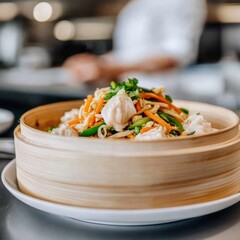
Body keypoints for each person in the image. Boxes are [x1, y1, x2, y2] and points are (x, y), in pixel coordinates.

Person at [63, 0, 206, 89]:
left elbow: (175, 56)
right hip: (126, 93)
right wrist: (95, 63)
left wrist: (111, 69)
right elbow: (127, 53)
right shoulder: (134, 6)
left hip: (162, 95)